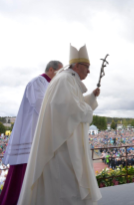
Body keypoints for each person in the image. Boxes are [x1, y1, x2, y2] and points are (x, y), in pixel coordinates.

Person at [17, 45, 102, 205]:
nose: (89, 71)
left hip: (66, 143)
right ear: (76, 65)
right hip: (62, 147)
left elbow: (73, 105)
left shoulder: (67, 79)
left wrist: (90, 97)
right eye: (87, 67)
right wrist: (88, 111)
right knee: (67, 188)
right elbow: (66, 107)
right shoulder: (65, 79)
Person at [0, 61, 63, 205]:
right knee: (24, 175)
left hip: (41, 132)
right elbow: (41, 106)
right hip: (31, 133)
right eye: (61, 72)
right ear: (51, 70)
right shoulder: (37, 82)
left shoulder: (50, 85)